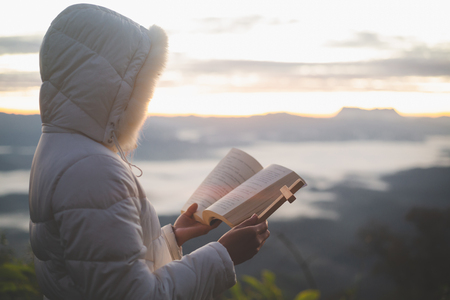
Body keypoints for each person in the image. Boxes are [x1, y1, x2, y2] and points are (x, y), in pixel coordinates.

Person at [28, 4, 270, 300]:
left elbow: (99, 266)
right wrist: (224, 255)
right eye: (142, 88)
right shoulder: (92, 170)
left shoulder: (61, 145)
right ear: (113, 88)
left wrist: (173, 236)